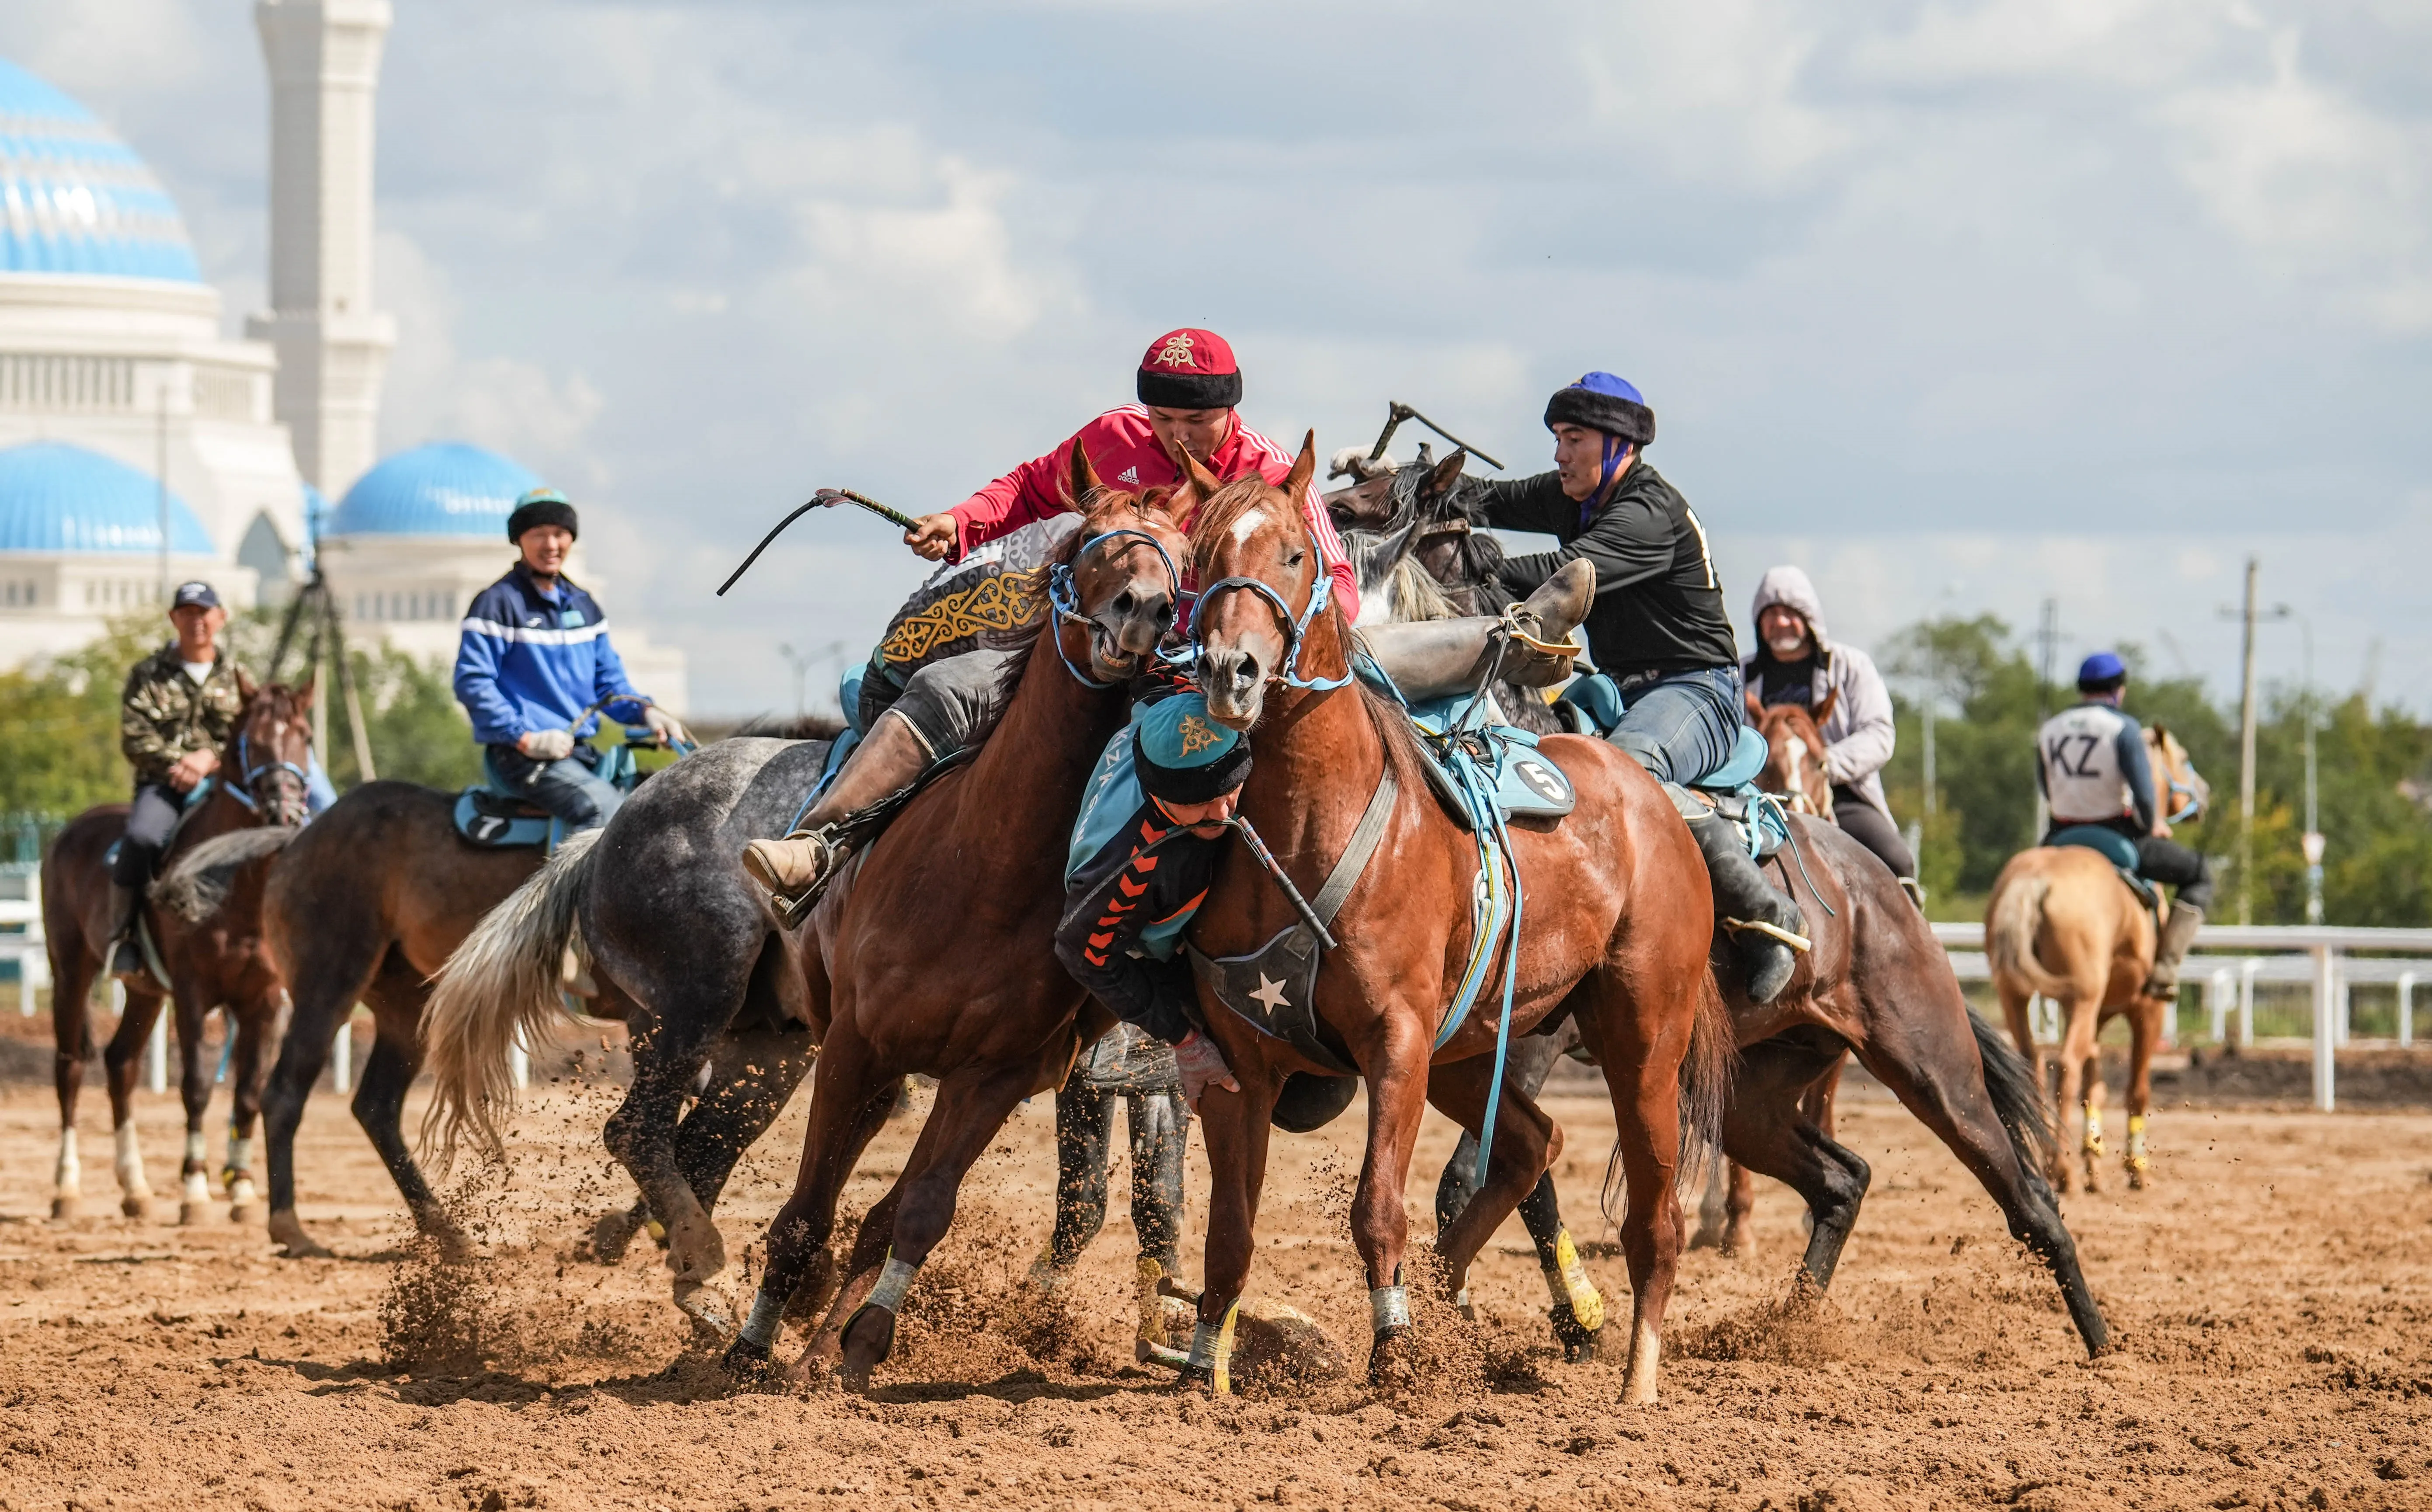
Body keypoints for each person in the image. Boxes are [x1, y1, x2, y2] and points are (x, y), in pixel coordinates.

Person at [741, 327, 1358, 915]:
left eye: (1196, 423)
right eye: (1164, 420)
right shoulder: (1114, 436)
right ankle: (817, 844)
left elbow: (1341, 586)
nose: (1178, 437)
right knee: (946, 687)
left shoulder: (1274, 474)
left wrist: (1250, 644)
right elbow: (1032, 488)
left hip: (1201, 673)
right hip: (1081, 647)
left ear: (1231, 412)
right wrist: (962, 522)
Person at [1460, 372, 1807, 1003]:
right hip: (1618, 689)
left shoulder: (1649, 511)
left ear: (1619, 445)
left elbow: (1562, 574)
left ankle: (1771, 915)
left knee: (1627, 771)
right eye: (1557, 439)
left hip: (1697, 688)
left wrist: (1462, 570)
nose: (1559, 454)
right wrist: (1400, 490)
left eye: (1574, 439)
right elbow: (1484, 498)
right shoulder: (1575, 493)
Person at [1053, 690, 1250, 1110]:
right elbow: (1082, 952)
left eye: (1230, 789)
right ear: (1160, 794)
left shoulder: (1204, 726)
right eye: (1197, 803)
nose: (1222, 813)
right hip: (1150, 946)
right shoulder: (1125, 863)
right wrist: (1184, 1038)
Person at [452, 488, 680, 834]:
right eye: (538, 534)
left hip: (580, 753)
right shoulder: (496, 603)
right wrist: (525, 737)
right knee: (605, 810)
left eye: (559, 533)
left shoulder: (584, 606)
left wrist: (648, 711)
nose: (551, 544)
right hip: (522, 758)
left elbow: (610, 686)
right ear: (519, 540)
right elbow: (473, 682)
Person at [2036, 652, 2212, 997]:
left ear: (2081, 689)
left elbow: (2046, 787)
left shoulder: (2049, 729)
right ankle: (2165, 968)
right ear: (2119, 690)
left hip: (2058, 836)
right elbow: (2146, 798)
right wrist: (2150, 825)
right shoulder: (2125, 729)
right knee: (2200, 873)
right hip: (2116, 834)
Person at [1741, 565, 1918, 887]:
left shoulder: (1851, 667)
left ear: (1809, 618)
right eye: (1771, 614)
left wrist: (1823, 767)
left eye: (1790, 613)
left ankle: (1913, 934)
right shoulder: (1741, 675)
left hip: (1840, 794)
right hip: (1756, 799)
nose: (1780, 622)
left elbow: (1879, 733)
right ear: (1759, 621)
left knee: (1897, 860)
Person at [110, 581, 250, 977]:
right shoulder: (148, 674)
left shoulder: (239, 677)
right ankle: (126, 937)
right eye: (187, 613)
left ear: (220, 618)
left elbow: (252, 739)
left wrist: (211, 760)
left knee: (279, 838)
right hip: (163, 785)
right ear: (174, 619)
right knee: (142, 839)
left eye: (204, 612)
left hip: (228, 786)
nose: (197, 621)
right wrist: (182, 762)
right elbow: (135, 737)